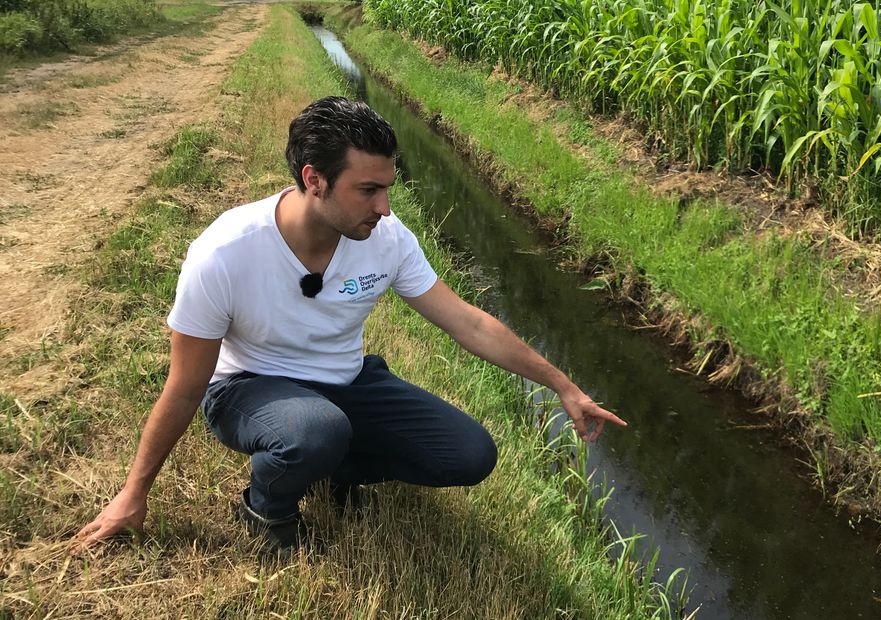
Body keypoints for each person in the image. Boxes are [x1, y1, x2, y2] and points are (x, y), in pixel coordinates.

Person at [73, 96, 626, 556]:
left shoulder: (385, 238)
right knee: (313, 431)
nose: (385, 207)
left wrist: (563, 386)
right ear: (314, 179)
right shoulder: (224, 253)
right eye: (368, 190)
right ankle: (266, 506)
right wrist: (135, 490)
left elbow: (468, 323)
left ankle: (336, 468)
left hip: (346, 380)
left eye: (388, 187)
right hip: (246, 389)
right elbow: (187, 383)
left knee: (469, 455)